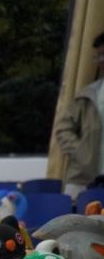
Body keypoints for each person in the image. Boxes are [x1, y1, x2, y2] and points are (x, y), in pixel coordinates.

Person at [53, 30, 104, 199]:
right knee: (75, 215)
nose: (101, 61)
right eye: (98, 56)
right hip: (83, 179)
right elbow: (63, 129)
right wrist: (82, 152)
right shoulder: (88, 94)